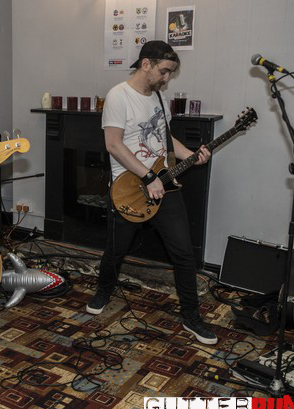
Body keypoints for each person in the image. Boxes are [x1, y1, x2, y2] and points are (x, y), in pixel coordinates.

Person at [86, 40, 218, 346]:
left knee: (183, 253)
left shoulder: (160, 96)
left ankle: (191, 316)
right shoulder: (118, 96)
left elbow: (165, 138)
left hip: (164, 185)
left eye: (170, 73)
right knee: (116, 250)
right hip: (129, 188)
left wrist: (191, 154)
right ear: (146, 64)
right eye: (164, 71)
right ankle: (103, 291)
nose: (167, 78)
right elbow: (113, 144)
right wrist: (147, 177)